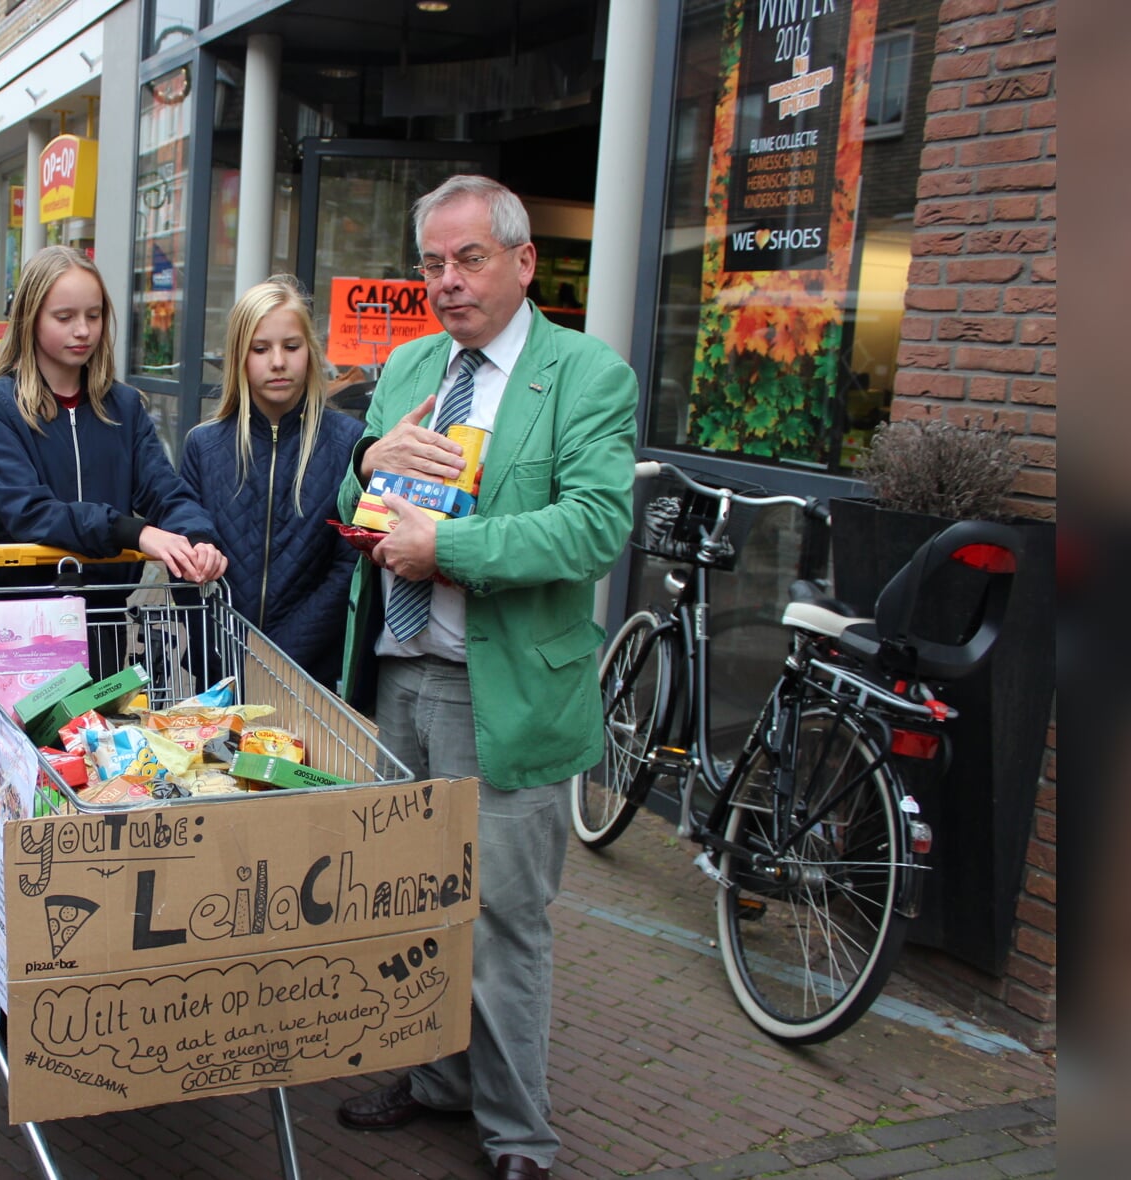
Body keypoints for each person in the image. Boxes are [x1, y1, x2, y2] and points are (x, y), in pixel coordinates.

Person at [331, 176, 637, 1180]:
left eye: (467, 260)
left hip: (503, 687)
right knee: (410, 901)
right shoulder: (412, 362)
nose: (448, 283)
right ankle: (434, 1080)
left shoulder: (587, 376)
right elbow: (353, 495)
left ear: (522, 262)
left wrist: (449, 548)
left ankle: (517, 1135)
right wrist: (372, 455)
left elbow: (596, 524)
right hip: (400, 675)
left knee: (503, 920)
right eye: (432, 263)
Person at [0, 245, 226, 673]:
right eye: (64, 317)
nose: (83, 330)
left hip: (103, 616)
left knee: (98, 739)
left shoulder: (123, 406)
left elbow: (163, 488)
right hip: (22, 622)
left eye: (94, 315)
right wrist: (133, 532)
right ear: (30, 319)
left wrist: (197, 537)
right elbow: (29, 512)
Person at [177, 278, 362, 687]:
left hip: (311, 676)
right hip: (219, 671)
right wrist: (225, 649)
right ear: (240, 357)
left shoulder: (349, 442)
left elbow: (350, 565)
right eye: (260, 349)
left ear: (310, 354)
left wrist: (278, 655)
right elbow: (183, 561)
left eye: (291, 347)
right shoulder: (204, 446)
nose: (278, 361)